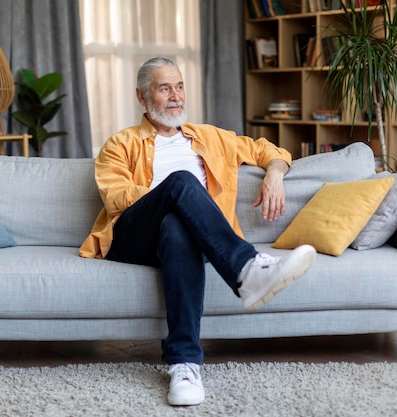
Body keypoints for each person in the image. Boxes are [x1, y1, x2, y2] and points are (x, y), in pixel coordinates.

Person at [80, 57, 316, 406]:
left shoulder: (212, 137)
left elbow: (270, 150)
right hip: (131, 237)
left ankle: (184, 364)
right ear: (143, 97)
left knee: (177, 228)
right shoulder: (120, 144)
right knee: (181, 184)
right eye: (164, 88)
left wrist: (275, 174)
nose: (175, 96)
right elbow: (116, 198)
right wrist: (171, 196)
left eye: (179, 86)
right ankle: (247, 269)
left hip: (187, 239)